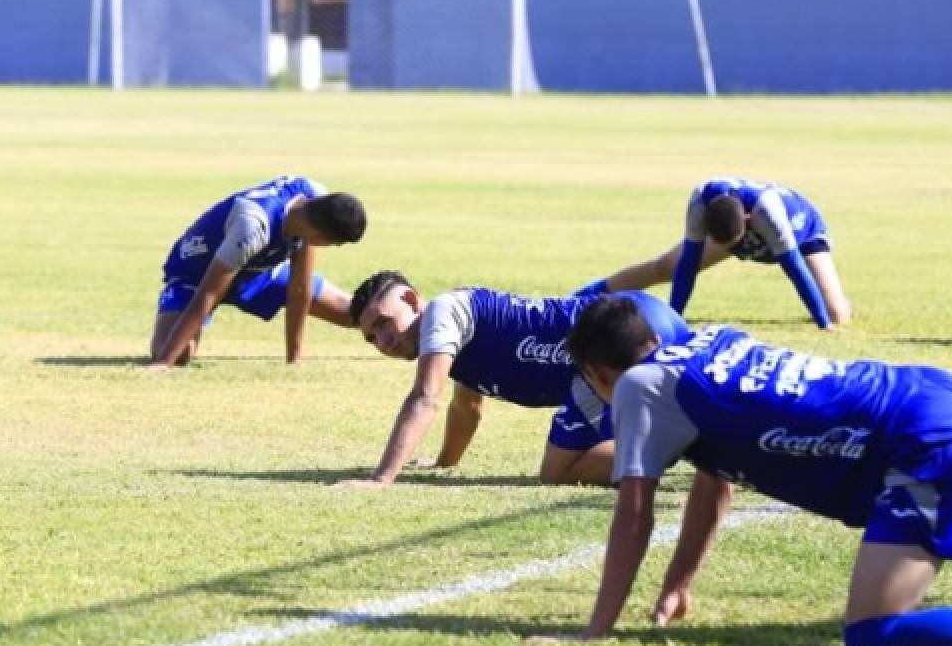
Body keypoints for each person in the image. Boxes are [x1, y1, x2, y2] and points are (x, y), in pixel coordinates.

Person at [558, 295, 952, 646]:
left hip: (918, 437)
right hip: (933, 391)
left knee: (875, 630)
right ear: (653, 336)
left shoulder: (638, 387)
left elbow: (634, 515)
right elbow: (714, 485)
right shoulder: (705, 342)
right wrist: (679, 583)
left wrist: (596, 630)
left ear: (598, 374)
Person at [338, 271, 691, 488]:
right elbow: (466, 406)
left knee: (558, 472)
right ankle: (695, 429)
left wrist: (381, 479)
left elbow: (425, 398)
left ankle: (684, 436)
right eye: (372, 337)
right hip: (645, 314)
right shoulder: (457, 332)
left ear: (412, 299)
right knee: (686, 401)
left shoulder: (442, 315)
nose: (383, 341)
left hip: (615, 340)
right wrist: (446, 461)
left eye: (384, 323)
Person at [149, 175, 365, 369]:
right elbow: (209, 293)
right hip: (198, 274)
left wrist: (294, 358)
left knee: (355, 314)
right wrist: (163, 363)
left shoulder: (315, 198)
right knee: (178, 353)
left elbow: (300, 286)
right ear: (320, 237)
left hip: (258, 272)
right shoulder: (253, 225)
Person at [576, 177, 851, 328]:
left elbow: (794, 269)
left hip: (801, 236)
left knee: (836, 313)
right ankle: (583, 297)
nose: (735, 252)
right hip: (733, 229)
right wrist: (675, 319)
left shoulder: (767, 212)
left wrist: (823, 322)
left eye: (735, 244)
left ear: (746, 218)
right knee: (664, 267)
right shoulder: (700, 201)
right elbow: (687, 265)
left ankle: (829, 314)